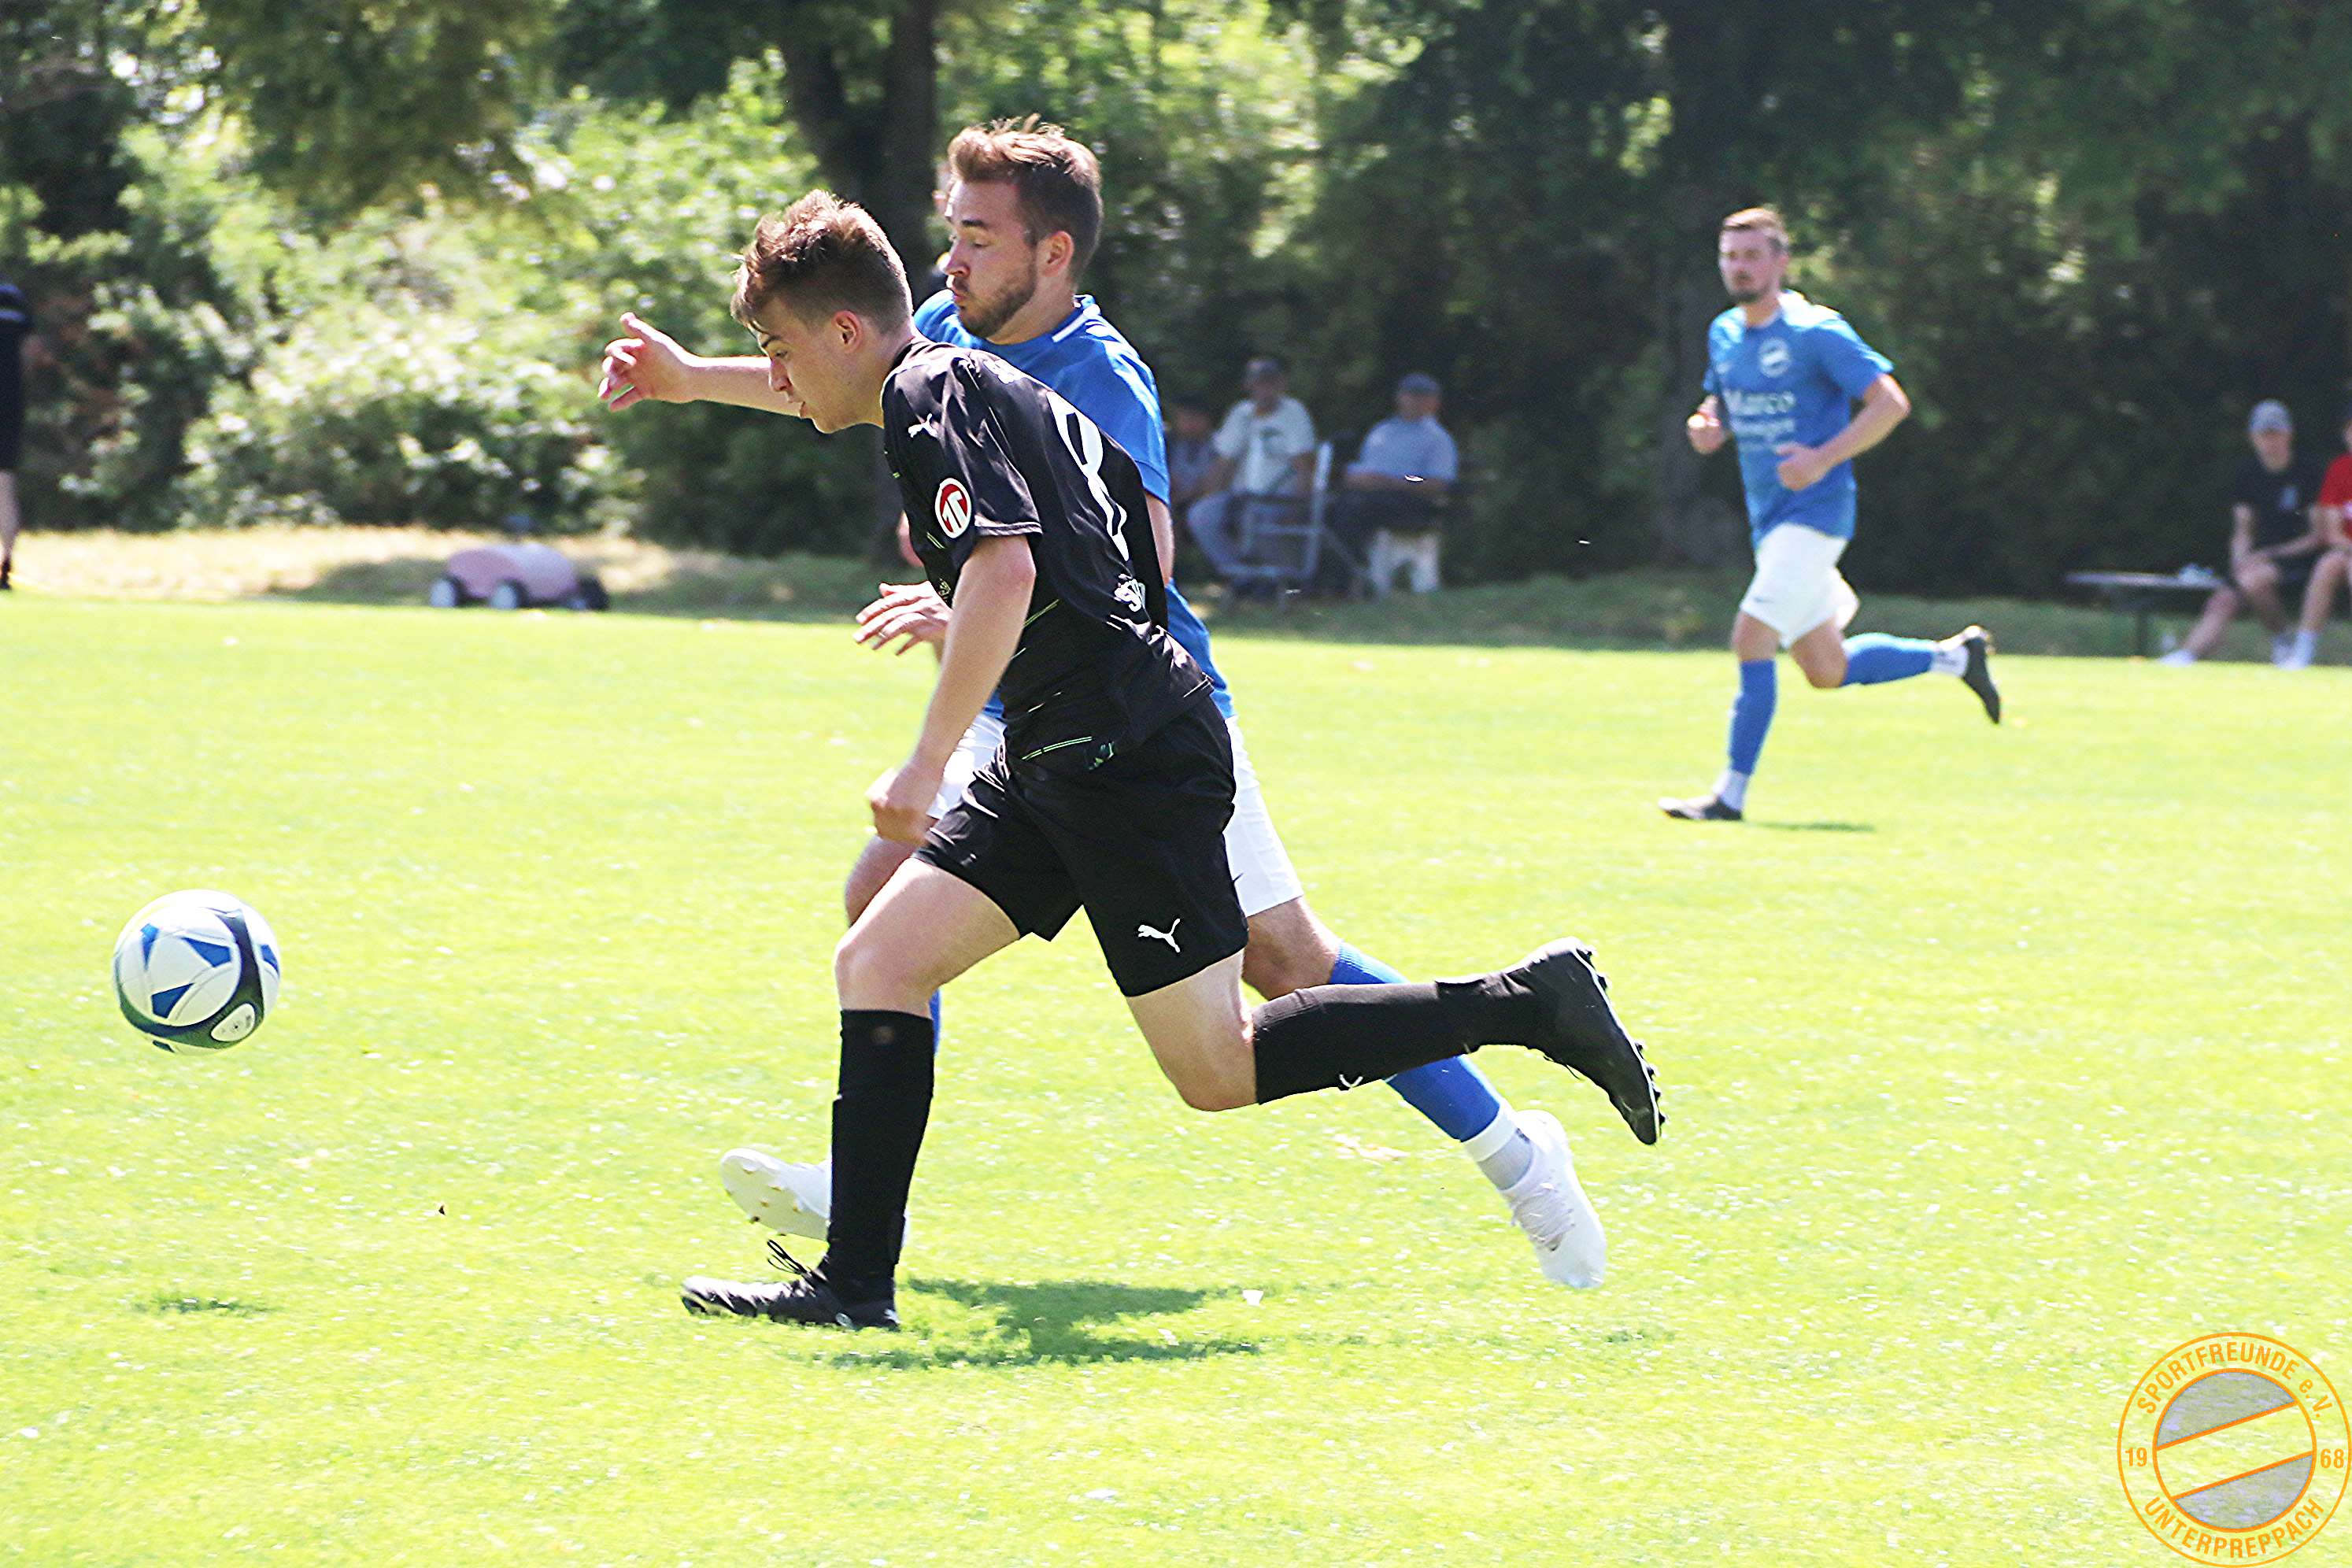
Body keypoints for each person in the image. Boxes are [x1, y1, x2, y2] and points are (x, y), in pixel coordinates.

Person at [601, 120, 1618, 1289]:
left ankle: (1517, 1145)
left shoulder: (1101, 373)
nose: (953, 262)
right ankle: (859, 1214)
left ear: (1054, 254)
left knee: (1284, 968)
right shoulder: (935, 340)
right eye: (951, 234)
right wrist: (690, 379)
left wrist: (971, 618)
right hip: (1039, 710)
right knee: (883, 921)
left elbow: (1138, 554)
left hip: (1137, 713)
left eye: (981, 239)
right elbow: (840, 375)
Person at [1660, 207, 1999, 823]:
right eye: (1730, 256)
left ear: (1781, 262)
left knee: (1750, 638)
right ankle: (1955, 658)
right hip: (1770, 519)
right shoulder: (1725, 333)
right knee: (1826, 668)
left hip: (1816, 514)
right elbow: (1723, 401)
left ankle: (1729, 796)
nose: (1739, 267)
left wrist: (1822, 459)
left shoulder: (1816, 331)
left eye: (1752, 255)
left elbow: (1890, 403)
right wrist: (1709, 424)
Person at [2165, 401, 2331, 668]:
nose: (2270, 442)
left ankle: (2283, 642)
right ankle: (2186, 656)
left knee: (2254, 580)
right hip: (2258, 560)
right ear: (2253, 437)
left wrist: (2268, 554)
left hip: (2299, 558)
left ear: (2288, 434)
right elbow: (2243, 530)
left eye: (2275, 434)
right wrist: (2239, 559)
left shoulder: (2309, 472)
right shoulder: (2247, 474)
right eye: (2264, 435)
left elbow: (2318, 535)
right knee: (2222, 601)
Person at [1185, 357, 1317, 580]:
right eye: (1259, 383)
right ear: (1249, 385)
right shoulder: (1241, 413)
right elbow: (1224, 462)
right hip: (1241, 496)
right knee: (1202, 514)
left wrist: (1299, 506)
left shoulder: (1293, 412)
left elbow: (1304, 465)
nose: (1264, 389)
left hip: (1279, 498)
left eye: (1270, 382)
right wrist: (1207, 495)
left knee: (1259, 519)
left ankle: (1277, 580)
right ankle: (1238, 575)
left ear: (1281, 384)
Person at [1341, 371, 1459, 596]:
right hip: (1369, 495)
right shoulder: (1382, 431)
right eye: (1410, 395)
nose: (1414, 401)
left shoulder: (1437, 439)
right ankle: (1337, 579)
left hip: (1410, 500)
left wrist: (1396, 481)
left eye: (1422, 397)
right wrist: (1355, 478)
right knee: (1327, 508)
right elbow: (1365, 467)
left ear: (1434, 402)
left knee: (1354, 510)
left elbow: (1436, 482)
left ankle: (1358, 578)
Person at [2282, 405, 2352, 668]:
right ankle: (2303, 652)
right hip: (2346, 550)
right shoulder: (2340, 469)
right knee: (2326, 566)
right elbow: (2332, 533)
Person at [0, 276, 33, 591]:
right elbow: (29, 352)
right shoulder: (12, 295)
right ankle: (5, 565)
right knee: (4, 486)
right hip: (10, 400)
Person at [1165, 398, 1219, 525]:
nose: (1190, 424)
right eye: (1184, 419)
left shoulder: (1219, 444)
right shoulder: (1168, 443)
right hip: (1172, 498)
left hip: (1205, 499)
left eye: (1195, 418)